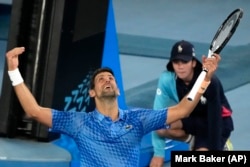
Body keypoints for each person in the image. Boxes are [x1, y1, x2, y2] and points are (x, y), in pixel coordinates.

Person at [6, 46, 220, 167]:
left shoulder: (137, 119)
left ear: (117, 89)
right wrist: (14, 72)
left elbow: (183, 109)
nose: (107, 80)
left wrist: (205, 76)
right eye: (101, 80)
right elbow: (34, 110)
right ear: (92, 93)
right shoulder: (78, 122)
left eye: (110, 78)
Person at [150, 40, 234, 167]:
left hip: (218, 123)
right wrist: (158, 154)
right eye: (176, 62)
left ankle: (223, 146)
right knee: (160, 126)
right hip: (194, 120)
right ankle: (194, 140)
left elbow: (215, 119)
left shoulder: (211, 82)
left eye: (185, 61)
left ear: (194, 63)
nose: (180, 66)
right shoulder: (170, 79)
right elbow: (156, 117)